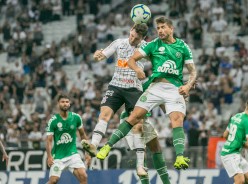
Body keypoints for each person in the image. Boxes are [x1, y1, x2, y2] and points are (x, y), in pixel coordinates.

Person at [96, 16, 197, 170]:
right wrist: (137, 69)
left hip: (174, 89)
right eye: (158, 28)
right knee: (134, 117)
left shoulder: (183, 47)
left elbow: (193, 71)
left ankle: (180, 157)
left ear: (171, 28)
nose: (160, 31)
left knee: (177, 120)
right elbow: (131, 59)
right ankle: (107, 146)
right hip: (155, 87)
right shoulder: (153, 45)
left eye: (163, 27)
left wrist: (188, 86)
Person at [81, 23, 171, 182]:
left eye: (136, 38)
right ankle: (94, 145)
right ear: (130, 31)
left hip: (133, 91)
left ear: (142, 38)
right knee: (105, 114)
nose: (132, 39)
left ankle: (142, 167)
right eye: (131, 35)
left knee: (148, 137)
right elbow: (101, 55)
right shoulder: (119, 43)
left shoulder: (146, 48)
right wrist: (97, 55)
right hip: (116, 87)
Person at [46, 94, 89, 184]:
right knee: (53, 181)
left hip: (72, 154)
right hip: (57, 156)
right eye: (62, 102)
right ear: (58, 104)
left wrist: (87, 152)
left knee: (83, 176)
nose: (65, 104)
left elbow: (83, 136)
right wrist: (49, 157)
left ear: (69, 104)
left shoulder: (76, 118)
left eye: (67, 102)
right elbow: (49, 141)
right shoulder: (53, 121)